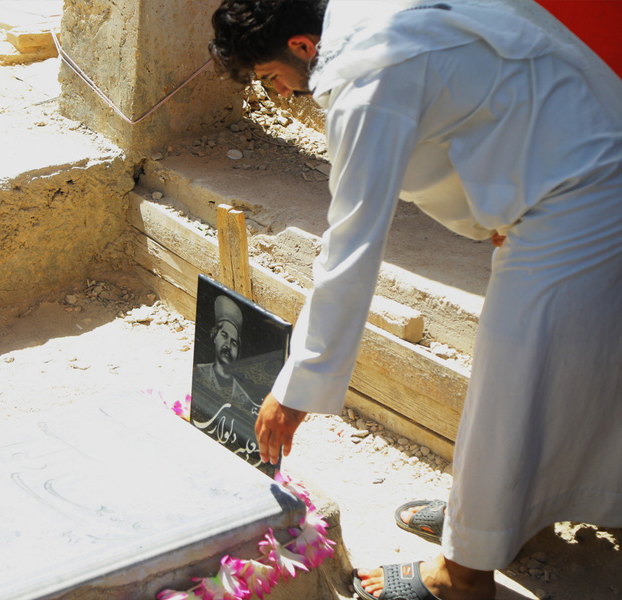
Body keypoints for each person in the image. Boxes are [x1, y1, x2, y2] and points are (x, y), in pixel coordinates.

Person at [209, 1, 622, 599]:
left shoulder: (363, 74)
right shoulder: (363, 15)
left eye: (271, 77)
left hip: (585, 179)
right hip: (571, 148)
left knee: (512, 374)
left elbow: (351, 246)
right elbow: (469, 100)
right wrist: (499, 201)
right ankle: (494, 523)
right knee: (554, 362)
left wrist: (295, 387)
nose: (278, 92)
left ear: (302, 45)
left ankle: (464, 572)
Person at [193, 294, 253, 407]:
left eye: (234, 343)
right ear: (215, 336)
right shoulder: (198, 373)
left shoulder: (244, 400)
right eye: (224, 335)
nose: (228, 346)